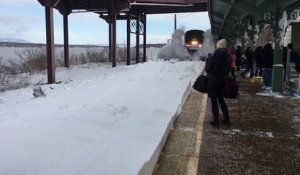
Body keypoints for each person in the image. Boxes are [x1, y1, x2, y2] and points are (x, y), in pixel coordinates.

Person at [205, 39, 230, 126]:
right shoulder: (227, 56)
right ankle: (226, 118)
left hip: (214, 81)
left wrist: (208, 60)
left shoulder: (214, 56)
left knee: (214, 101)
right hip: (222, 81)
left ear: (218, 46)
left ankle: (216, 121)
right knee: (221, 99)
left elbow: (207, 69)